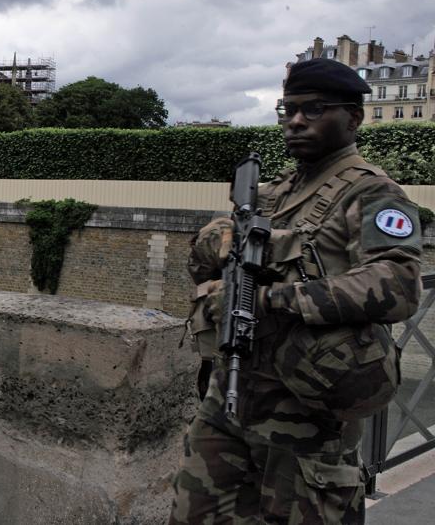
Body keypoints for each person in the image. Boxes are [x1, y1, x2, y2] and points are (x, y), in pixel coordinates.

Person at [169, 59, 422, 524]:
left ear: (353, 117)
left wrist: (272, 301)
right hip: (231, 397)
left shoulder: (372, 194)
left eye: (314, 109)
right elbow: (201, 265)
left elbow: (398, 286)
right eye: (288, 110)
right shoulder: (273, 194)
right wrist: (215, 240)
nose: (295, 121)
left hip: (306, 414)